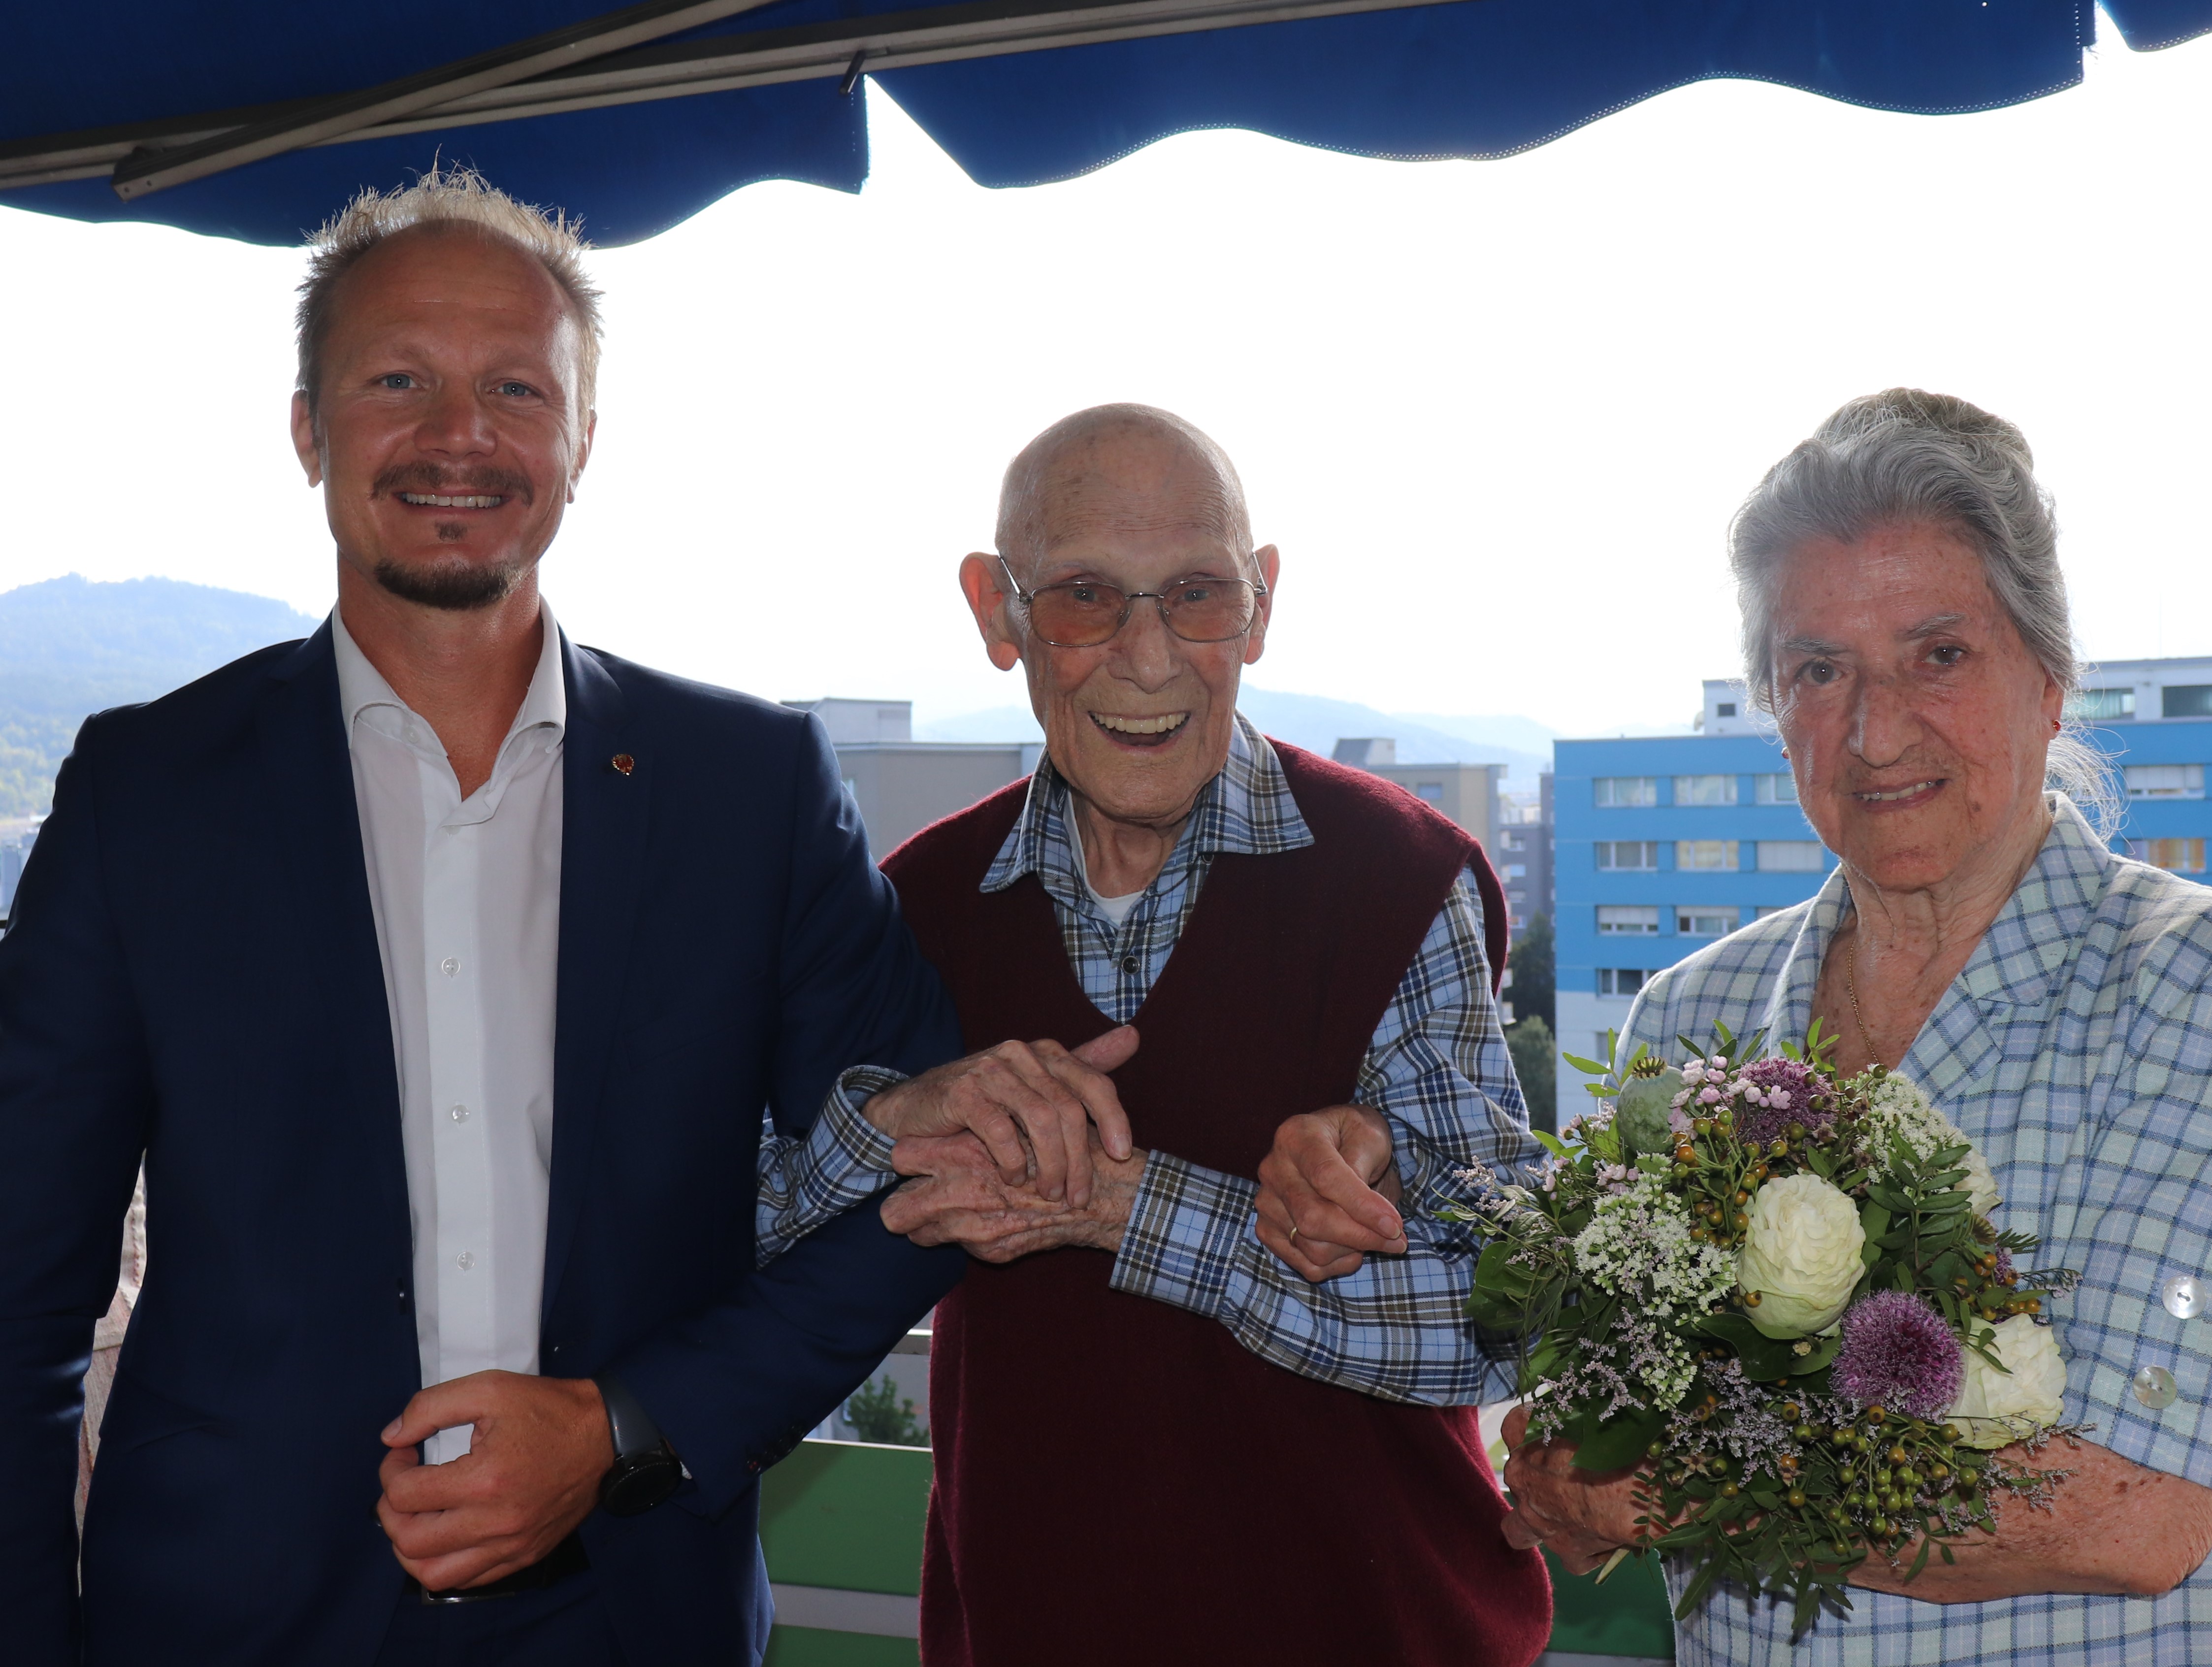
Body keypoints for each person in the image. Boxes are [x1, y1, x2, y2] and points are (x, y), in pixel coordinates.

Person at [0, 168, 1121, 1667]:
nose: (459, 434)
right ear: (306, 428)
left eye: (515, 388)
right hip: (221, 1619)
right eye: (398, 379)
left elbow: (917, 1188)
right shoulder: (147, 790)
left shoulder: (752, 788)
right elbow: (20, 1291)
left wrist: (623, 1428)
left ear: (582, 439)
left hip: (634, 1614)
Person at [1500, 389, 2212, 1662]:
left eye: (1938, 655)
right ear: (1771, 702)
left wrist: (1674, 1486)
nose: (1874, 728)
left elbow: (2132, 1508)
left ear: (2050, 677)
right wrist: (1571, 1451)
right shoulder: (1692, 1022)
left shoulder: (2211, 980)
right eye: (1818, 670)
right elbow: (1613, 1408)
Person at [749, 403, 1554, 1667]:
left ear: (1262, 602)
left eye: (1194, 595)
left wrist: (1127, 1211)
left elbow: (1508, 1316)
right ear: (995, 612)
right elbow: (732, 1245)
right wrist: (893, 1122)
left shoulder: (1402, 879)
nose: (1146, 657)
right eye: (1082, 597)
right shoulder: (919, 905)